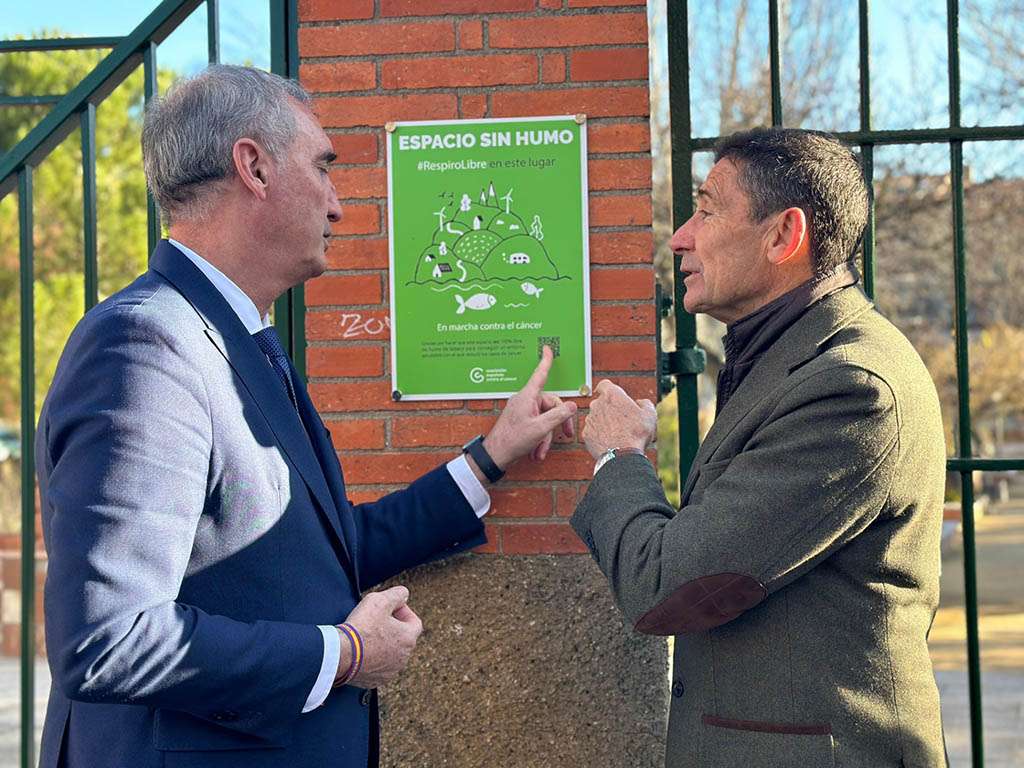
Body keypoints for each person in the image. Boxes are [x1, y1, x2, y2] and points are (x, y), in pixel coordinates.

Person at [35, 65, 576, 768]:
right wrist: (344, 653)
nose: (338, 204)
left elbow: (314, 548)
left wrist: (488, 457)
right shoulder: (145, 346)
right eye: (323, 166)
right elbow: (109, 640)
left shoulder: (237, 341)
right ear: (253, 167)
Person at [573, 128, 947, 767]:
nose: (680, 237)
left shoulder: (852, 387)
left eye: (706, 209)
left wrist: (620, 459)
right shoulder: (787, 356)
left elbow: (668, 584)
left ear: (783, 236)